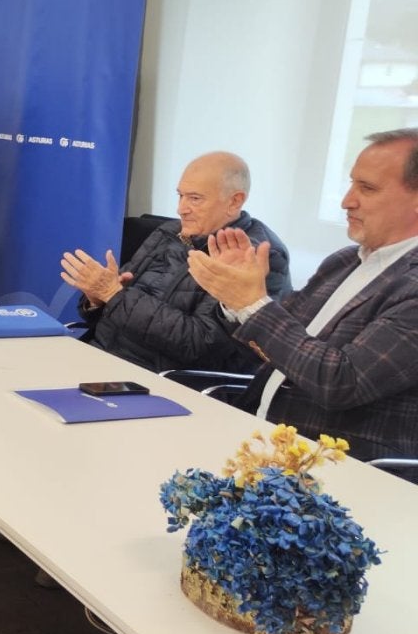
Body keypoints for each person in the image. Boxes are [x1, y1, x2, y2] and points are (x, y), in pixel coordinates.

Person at [188, 129, 418, 463]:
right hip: (256, 435)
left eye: (367, 188)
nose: (347, 201)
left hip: (337, 468)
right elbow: (277, 342)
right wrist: (237, 298)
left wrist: (252, 304)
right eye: (351, 183)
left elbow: (342, 382)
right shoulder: (344, 261)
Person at [60, 151, 292, 373]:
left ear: (234, 201)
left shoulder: (254, 256)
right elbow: (110, 308)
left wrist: (114, 294)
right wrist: (96, 299)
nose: (181, 209)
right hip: (100, 355)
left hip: (160, 378)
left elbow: (198, 344)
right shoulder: (169, 232)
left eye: (195, 198)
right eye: (180, 195)